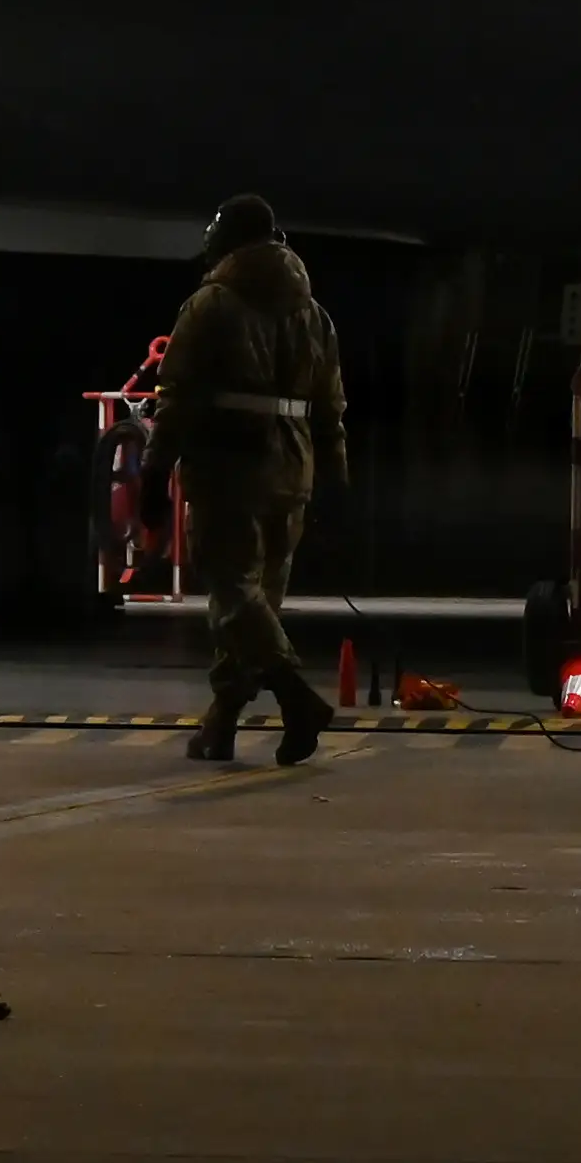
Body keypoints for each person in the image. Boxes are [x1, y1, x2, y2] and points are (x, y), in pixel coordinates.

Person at [161, 192, 344, 765]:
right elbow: (331, 408)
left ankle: (296, 699)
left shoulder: (211, 305)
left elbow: (176, 396)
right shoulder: (314, 315)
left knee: (234, 594)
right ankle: (222, 723)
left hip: (229, 468)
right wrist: (335, 477)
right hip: (293, 469)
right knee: (258, 601)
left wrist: (153, 470)